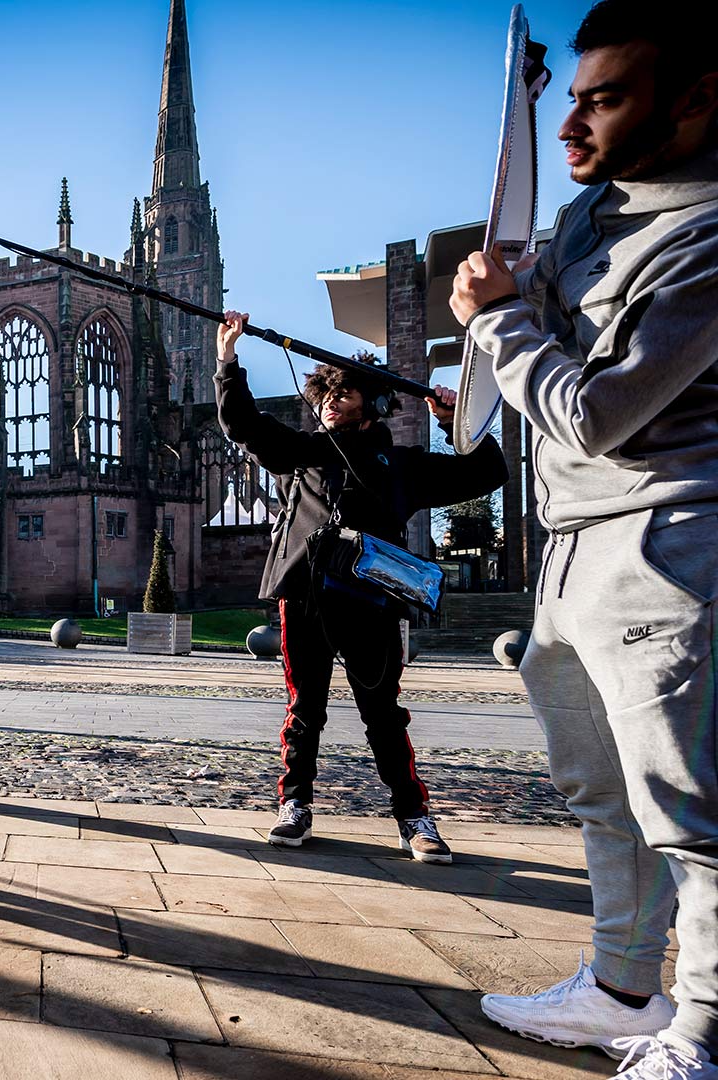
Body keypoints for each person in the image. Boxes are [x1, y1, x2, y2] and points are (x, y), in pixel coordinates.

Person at [452, 2, 718, 1072]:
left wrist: (499, 323)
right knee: (600, 789)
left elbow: (602, 410)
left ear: (697, 99)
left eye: (603, 101)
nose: (573, 127)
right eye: (570, 99)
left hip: (668, 537)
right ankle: (620, 989)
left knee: (693, 813)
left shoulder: (703, 240)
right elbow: (530, 348)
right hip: (571, 545)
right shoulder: (589, 213)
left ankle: (701, 1032)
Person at [215, 313, 506, 862]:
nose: (330, 401)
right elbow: (244, 426)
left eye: (344, 392)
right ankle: (295, 805)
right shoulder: (303, 454)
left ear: (372, 402)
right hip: (305, 600)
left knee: (383, 715)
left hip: (371, 603)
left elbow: (484, 474)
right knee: (305, 710)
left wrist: (454, 422)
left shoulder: (402, 466)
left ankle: (414, 818)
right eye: (325, 392)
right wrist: (228, 362)